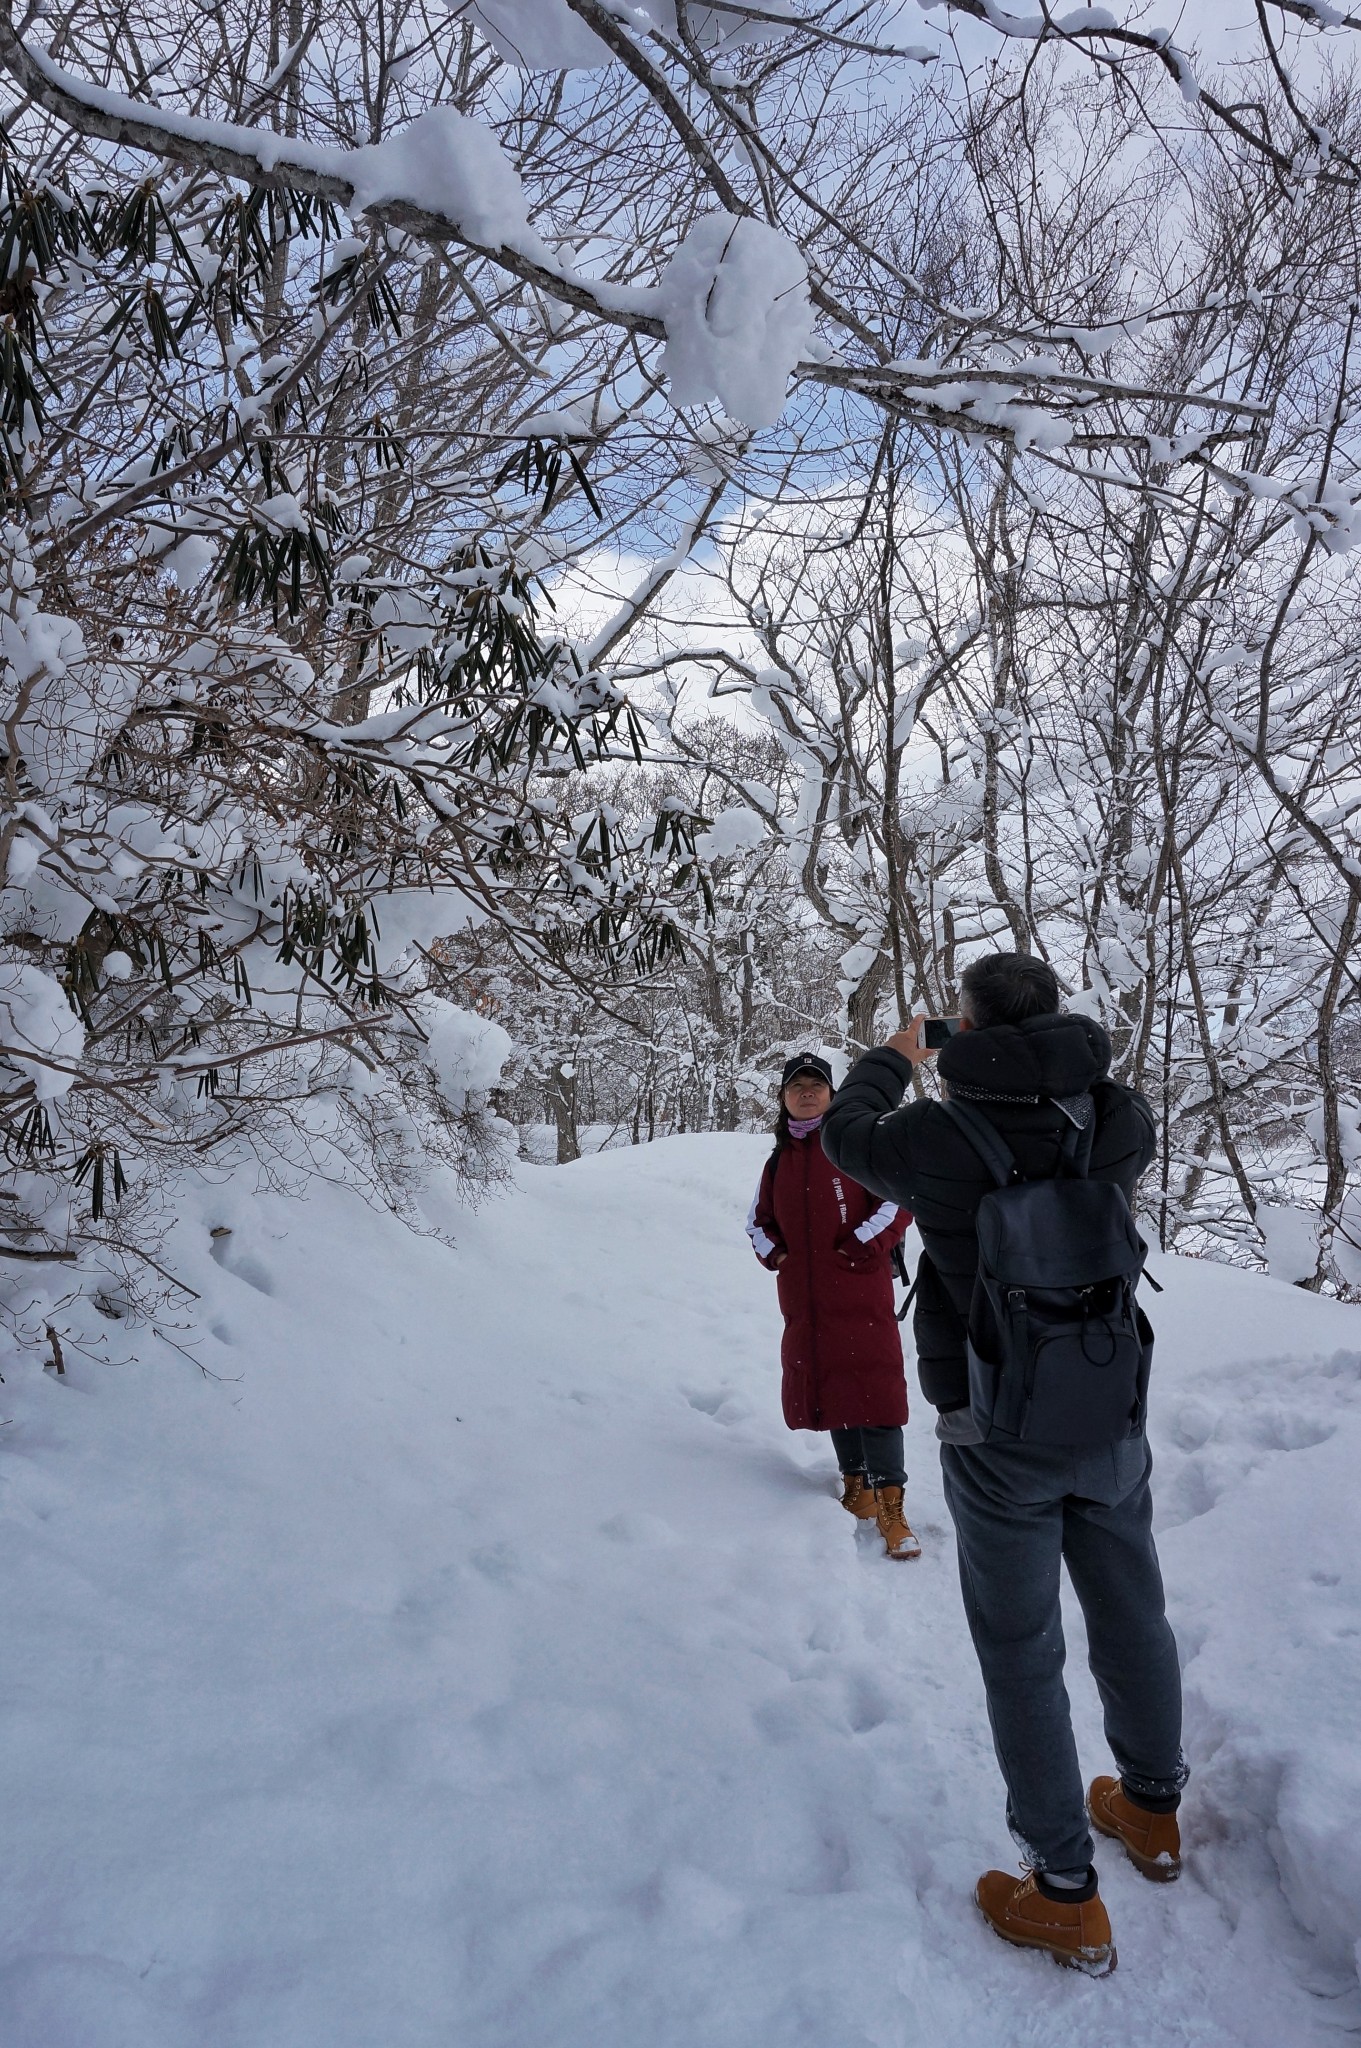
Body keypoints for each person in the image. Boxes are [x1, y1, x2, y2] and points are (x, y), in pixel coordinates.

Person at [822, 954, 1184, 1975]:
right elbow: (1083, 1109)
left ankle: (1063, 1890)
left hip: (992, 1423)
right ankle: (1152, 1809)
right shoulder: (1117, 1117)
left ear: (968, 1024)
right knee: (1131, 1609)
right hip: (1107, 1404)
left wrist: (897, 1054)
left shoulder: (931, 1137)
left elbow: (842, 1132)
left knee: (1020, 1646)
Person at [746, 1052, 918, 1559]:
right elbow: (758, 1222)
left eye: (815, 1085)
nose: (806, 1092)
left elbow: (898, 1201)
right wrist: (779, 1256)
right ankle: (857, 1486)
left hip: (859, 1291)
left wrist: (856, 1246)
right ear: (782, 1099)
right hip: (806, 1301)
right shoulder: (778, 1159)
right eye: (795, 1086)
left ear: (832, 1094)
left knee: (877, 1390)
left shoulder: (853, 1144)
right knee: (833, 1384)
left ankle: (892, 1505)